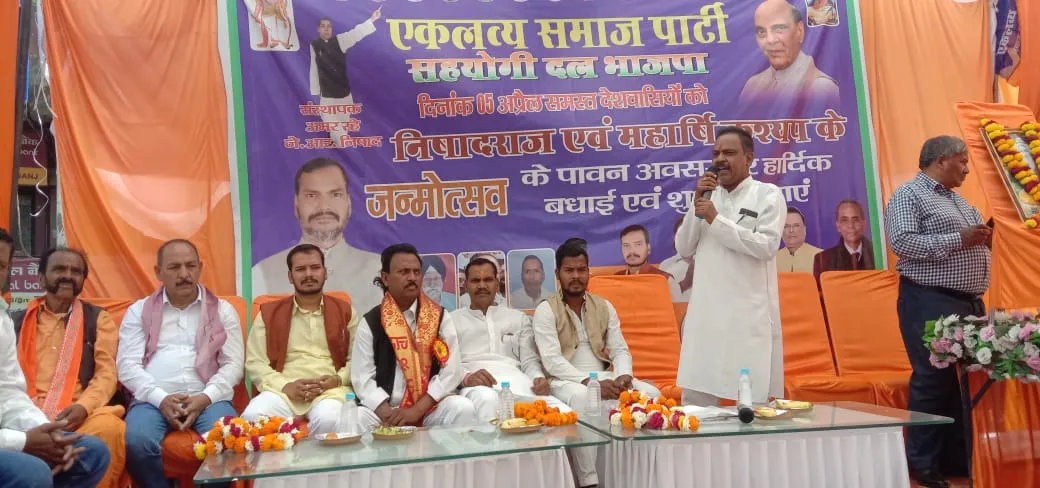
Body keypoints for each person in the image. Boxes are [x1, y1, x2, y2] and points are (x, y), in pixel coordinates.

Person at [885, 135, 990, 488]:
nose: (967, 169)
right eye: (963, 161)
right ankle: (923, 464)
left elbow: (970, 239)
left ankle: (956, 459)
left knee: (962, 383)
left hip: (968, 302)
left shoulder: (960, 202)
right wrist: (960, 238)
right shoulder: (908, 195)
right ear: (941, 160)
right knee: (933, 379)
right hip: (930, 300)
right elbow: (902, 242)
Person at [532, 239, 661, 488]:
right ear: (558, 274)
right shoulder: (546, 310)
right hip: (565, 380)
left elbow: (620, 349)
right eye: (569, 270)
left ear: (588, 272)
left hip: (604, 376)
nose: (576, 276)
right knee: (585, 396)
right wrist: (590, 383)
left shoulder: (603, 306)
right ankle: (588, 480)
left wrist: (623, 376)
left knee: (651, 394)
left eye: (581, 269)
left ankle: (640, 477)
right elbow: (552, 361)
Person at [118, 239, 244, 488]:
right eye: (174, 267)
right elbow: (127, 366)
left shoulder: (223, 310)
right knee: (136, 441)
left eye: (190, 266)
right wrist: (161, 399)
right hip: (152, 400)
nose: (184, 274)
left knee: (228, 439)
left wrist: (205, 397)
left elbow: (233, 364)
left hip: (209, 398)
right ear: (158, 272)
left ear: (200, 267)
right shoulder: (138, 311)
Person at [674, 126, 785, 407]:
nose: (720, 159)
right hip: (707, 317)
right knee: (696, 405)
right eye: (716, 153)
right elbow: (683, 248)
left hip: (746, 318)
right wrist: (697, 203)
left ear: (748, 158)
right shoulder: (708, 197)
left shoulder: (768, 195)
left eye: (729, 153)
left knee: (753, 405)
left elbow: (766, 246)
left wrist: (716, 219)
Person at [0, 229, 111, 488]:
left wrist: (50, 433)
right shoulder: (18, 319)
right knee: (34, 472)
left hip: (60, 413)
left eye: (1, 266)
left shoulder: (97, 319)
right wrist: (25, 441)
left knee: (94, 452)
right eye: (60, 269)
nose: (68, 276)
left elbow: (7, 392)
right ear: (41, 278)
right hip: (21, 423)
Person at [351, 244, 476, 431]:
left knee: (461, 408)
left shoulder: (438, 317)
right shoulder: (371, 321)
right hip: (384, 411)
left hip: (428, 409)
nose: (412, 277)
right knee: (356, 418)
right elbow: (362, 378)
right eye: (404, 272)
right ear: (385, 278)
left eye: (416, 272)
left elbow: (452, 371)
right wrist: (388, 413)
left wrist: (416, 411)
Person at [242, 244, 359, 435]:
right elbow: (255, 362)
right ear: (290, 276)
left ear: (325, 272)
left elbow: (358, 359)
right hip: (284, 392)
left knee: (329, 420)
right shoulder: (269, 314)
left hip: (330, 392)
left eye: (315, 267)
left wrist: (337, 380)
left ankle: (314, 456)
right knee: (252, 416)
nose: (308, 274)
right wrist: (285, 386)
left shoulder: (345, 312)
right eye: (300, 269)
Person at [253, 157, 383, 312]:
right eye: (312, 196)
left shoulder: (378, 268)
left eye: (335, 194)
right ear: (296, 204)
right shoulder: (262, 273)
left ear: (348, 203)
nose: (324, 206)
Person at [452, 257, 559, 418]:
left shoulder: (518, 318)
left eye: (488, 280)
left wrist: (538, 378)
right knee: (488, 399)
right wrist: (467, 377)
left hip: (519, 383)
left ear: (497, 284)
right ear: (466, 285)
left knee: (561, 412)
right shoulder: (452, 320)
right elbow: (448, 365)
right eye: (475, 280)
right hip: (478, 387)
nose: (482, 285)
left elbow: (529, 361)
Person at [740, 0, 839, 105]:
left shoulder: (820, 87)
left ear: (799, 31)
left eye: (779, 29)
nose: (770, 40)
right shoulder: (752, 86)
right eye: (761, 32)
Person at [310, 8, 381, 144]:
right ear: (318, 29)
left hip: (343, 95)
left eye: (329, 26)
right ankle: (342, 144)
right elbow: (314, 68)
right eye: (323, 26)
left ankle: (340, 150)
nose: (326, 29)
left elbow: (356, 33)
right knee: (335, 129)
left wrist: (372, 19)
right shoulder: (314, 45)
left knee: (341, 130)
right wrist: (315, 91)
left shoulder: (340, 41)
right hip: (326, 96)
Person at [615, 224, 683, 302]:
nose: (632, 251)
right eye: (626, 245)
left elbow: (679, 309)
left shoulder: (665, 280)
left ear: (648, 248)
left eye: (638, 244)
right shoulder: (614, 280)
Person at [812, 200, 876, 279]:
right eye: (844, 220)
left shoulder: (879, 255)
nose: (851, 226)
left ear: (864, 224)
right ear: (838, 226)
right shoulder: (823, 259)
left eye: (855, 219)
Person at [776, 207, 821, 273]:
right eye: (786, 226)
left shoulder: (820, 257)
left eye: (796, 226)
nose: (791, 230)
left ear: (804, 229)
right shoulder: (773, 260)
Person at [659, 217, 695, 301]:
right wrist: (686, 283)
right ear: (675, 238)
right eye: (681, 234)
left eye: (689, 234)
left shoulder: (709, 262)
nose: (685, 238)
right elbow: (660, 296)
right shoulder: (665, 265)